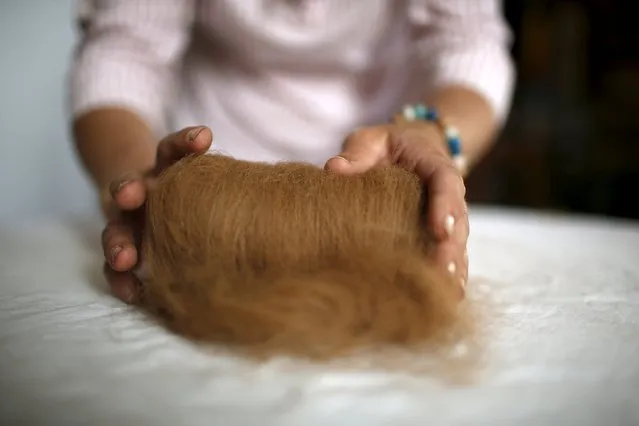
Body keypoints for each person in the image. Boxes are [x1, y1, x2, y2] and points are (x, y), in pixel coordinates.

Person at [69, 0, 515, 304]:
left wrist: (432, 134)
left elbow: (468, 42)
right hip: (215, 193)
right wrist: (136, 178)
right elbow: (125, 51)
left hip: (374, 178)